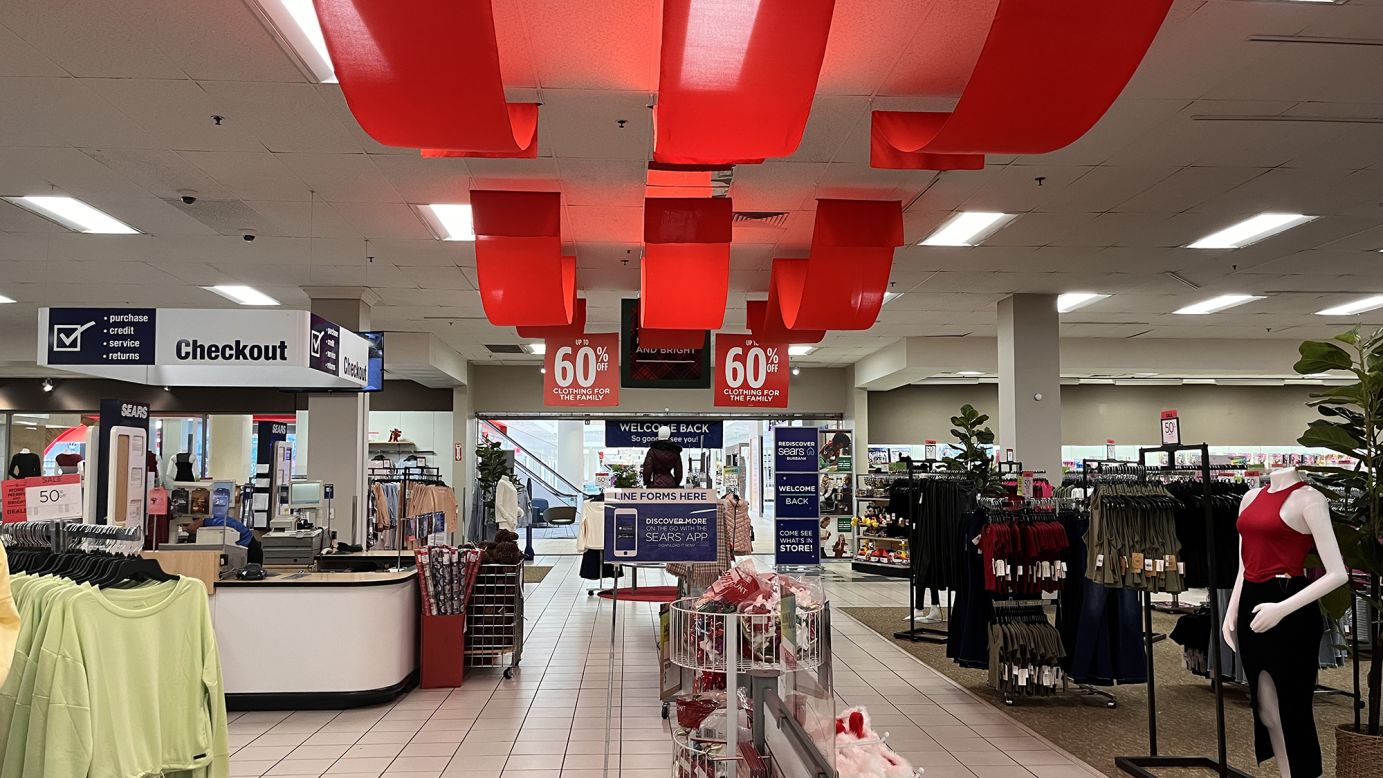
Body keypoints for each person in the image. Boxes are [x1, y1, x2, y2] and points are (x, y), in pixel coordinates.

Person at [185, 515, 263, 565]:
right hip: (245, 549)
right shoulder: (216, 520)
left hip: (251, 550)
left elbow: (231, 525)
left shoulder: (216, 520)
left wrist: (202, 522)